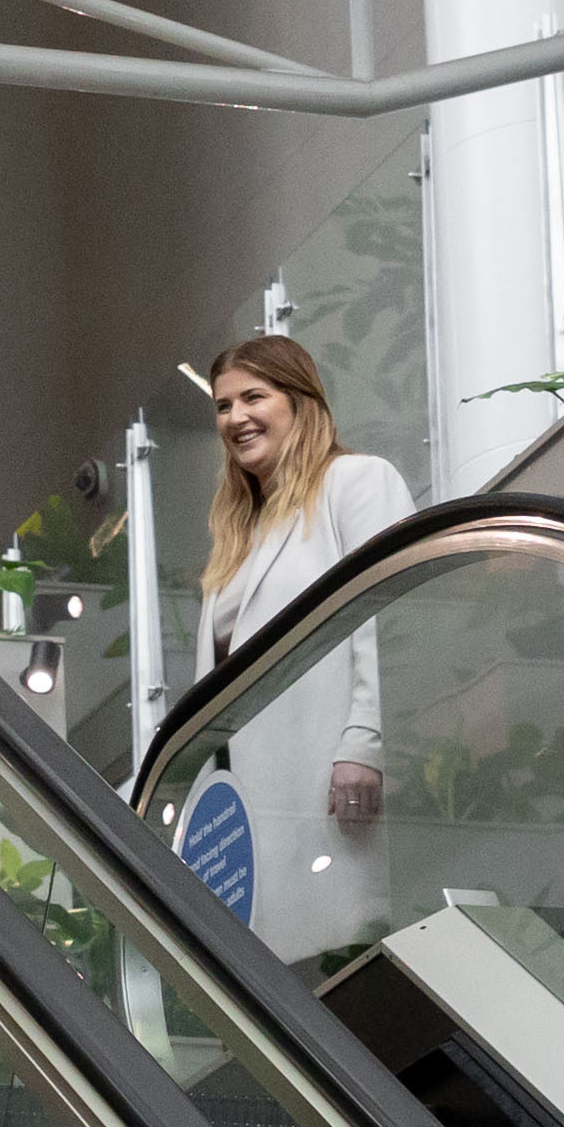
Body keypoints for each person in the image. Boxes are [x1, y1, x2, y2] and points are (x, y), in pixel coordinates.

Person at [177, 330, 414, 950]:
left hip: (324, 778)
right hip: (248, 806)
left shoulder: (356, 482)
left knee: (343, 951)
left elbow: (388, 617)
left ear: (299, 401)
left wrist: (365, 741)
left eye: (253, 397)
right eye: (223, 406)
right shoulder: (238, 536)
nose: (236, 418)